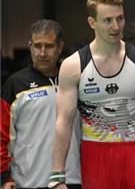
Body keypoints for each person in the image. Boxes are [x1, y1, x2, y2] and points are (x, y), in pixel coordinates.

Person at [50, 0, 135, 189]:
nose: (116, 26)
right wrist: (57, 175)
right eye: (108, 20)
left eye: (120, 18)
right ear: (92, 22)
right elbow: (63, 121)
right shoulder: (74, 66)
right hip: (96, 154)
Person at [0, 20, 81, 189]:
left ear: (60, 47)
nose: (42, 52)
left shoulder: (76, 80)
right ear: (30, 46)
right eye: (37, 46)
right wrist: (4, 178)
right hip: (28, 182)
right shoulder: (15, 84)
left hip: (71, 179)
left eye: (49, 46)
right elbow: (2, 136)